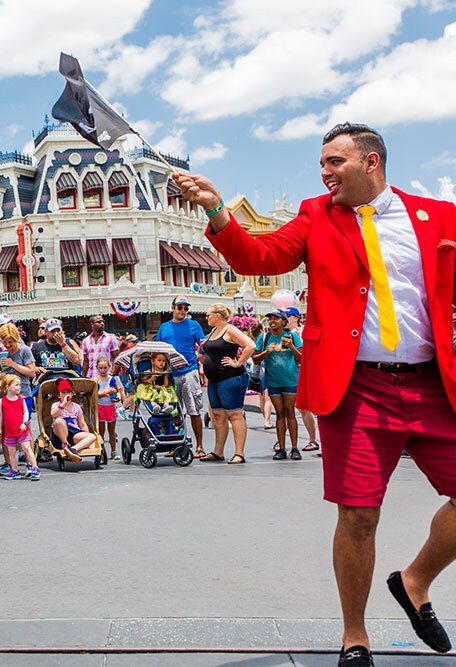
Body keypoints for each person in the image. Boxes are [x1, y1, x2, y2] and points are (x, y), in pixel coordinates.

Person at [174, 122, 456, 665]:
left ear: (371, 162)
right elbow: (258, 258)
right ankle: (355, 637)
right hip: (358, 387)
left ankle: (415, 581)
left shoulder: (437, 216)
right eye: (321, 163)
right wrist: (215, 210)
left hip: (432, 384)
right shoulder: (314, 216)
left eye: (334, 162)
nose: (323, 172)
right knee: (358, 516)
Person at [196, 304, 255, 465]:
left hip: (230, 378)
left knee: (235, 414)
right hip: (214, 380)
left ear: (218, 315)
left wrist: (238, 363)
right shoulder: (214, 331)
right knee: (218, 415)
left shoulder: (230, 330)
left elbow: (250, 345)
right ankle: (218, 451)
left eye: (209, 315)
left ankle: (239, 453)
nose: (206, 317)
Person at [155, 296, 207, 458]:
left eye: (186, 308)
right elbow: (158, 350)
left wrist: (199, 355)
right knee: (175, 412)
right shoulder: (164, 327)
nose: (183, 311)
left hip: (189, 371)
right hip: (171, 374)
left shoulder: (193, 325)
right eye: (180, 307)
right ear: (173, 308)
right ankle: (177, 444)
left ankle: (199, 446)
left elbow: (204, 343)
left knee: (194, 410)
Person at [252, 311, 304, 461]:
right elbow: (255, 359)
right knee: (279, 413)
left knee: (290, 412)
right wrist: (266, 352)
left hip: (290, 380)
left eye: (276, 319)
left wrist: (291, 347)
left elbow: (301, 358)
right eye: (270, 319)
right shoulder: (264, 337)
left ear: (283, 321)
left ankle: (294, 448)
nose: (272, 321)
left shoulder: (292, 337)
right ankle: (281, 448)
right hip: (273, 381)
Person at [285, 306, 322, 452]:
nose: (285, 320)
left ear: (295, 317)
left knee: (317, 407)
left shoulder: (303, 331)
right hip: (294, 373)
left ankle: (318, 441)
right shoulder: (284, 334)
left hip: (310, 371)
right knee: (301, 407)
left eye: (287, 317)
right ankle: (313, 439)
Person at [0, 375, 40, 480]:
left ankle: (34, 467)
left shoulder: (21, 400)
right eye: (16, 385)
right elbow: (0, 416)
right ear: (8, 387)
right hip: (9, 431)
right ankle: (15, 470)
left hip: (21, 430)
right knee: (11, 452)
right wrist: (0, 428)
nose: (19, 387)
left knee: (27, 448)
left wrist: (24, 423)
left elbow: (26, 412)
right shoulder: (2, 401)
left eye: (20, 385)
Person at [0, 323, 38, 415]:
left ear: (16, 339)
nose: (7, 345)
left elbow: (32, 372)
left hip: (22, 393)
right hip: (4, 394)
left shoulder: (24, 350)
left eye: (10, 342)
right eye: (4, 342)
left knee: (24, 424)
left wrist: (13, 364)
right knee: (4, 423)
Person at [50, 377, 98, 461]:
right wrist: (64, 404)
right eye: (63, 392)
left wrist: (86, 438)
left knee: (92, 436)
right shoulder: (56, 405)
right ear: (58, 395)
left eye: (68, 392)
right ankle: (65, 444)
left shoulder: (76, 407)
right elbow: (53, 414)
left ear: (72, 394)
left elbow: (82, 424)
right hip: (60, 434)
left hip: (74, 433)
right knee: (59, 421)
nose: (66, 394)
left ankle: (74, 449)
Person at [31, 317, 82, 382]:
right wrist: (36, 368)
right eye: (52, 331)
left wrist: (62, 344)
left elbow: (76, 361)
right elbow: (30, 366)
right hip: (46, 379)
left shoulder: (67, 344)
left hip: (66, 378)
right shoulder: (36, 346)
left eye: (58, 331)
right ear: (46, 332)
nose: (56, 333)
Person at [94, 356, 121, 460]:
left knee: (112, 430)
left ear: (109, 367)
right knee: (101, 430)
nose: (103, 370)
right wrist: (106, 393)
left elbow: (117, 391)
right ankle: (101, 451)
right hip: (100, 406)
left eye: (105, 368)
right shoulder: (95, 380)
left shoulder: (112, 379)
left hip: (110, 406)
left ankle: (113, 451)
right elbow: (94, 395)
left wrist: (117, 397)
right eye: (100, 368)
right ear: (96, 368)